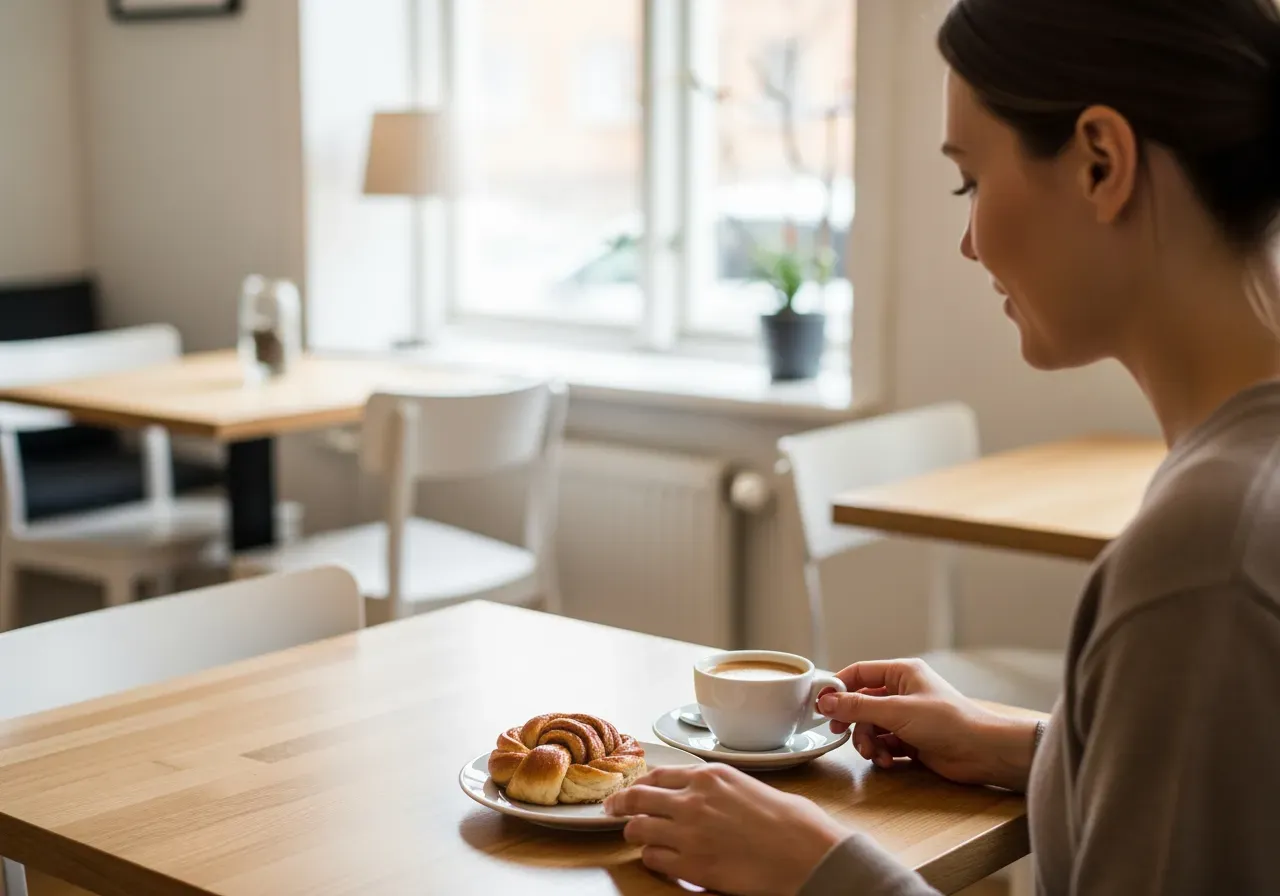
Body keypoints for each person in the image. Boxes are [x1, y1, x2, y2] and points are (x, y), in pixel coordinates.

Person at [604, 0, 1280, 893]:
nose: (967, 241)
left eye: (970, 180)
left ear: (1101, 163)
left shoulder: (1205, 553)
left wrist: (822, 870)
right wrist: (1024, 744)